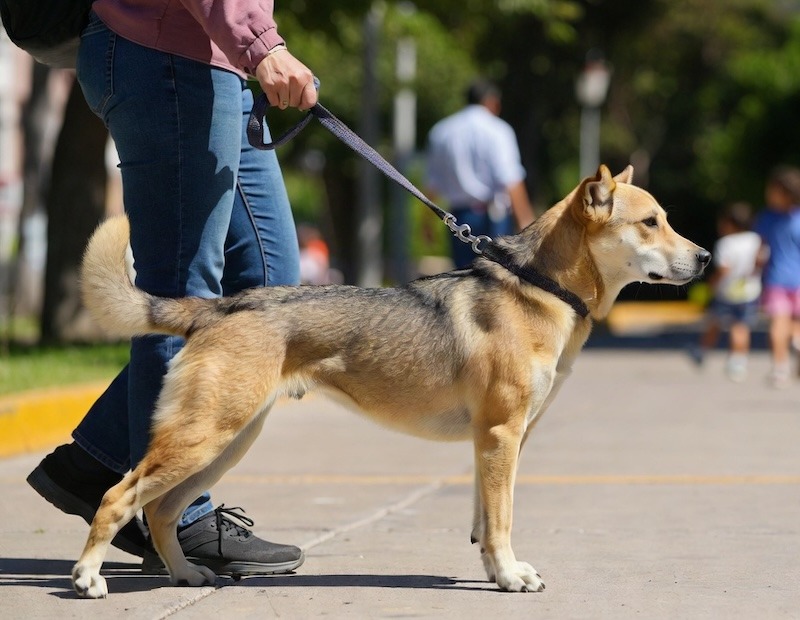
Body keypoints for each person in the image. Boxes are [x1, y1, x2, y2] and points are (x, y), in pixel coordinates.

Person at [26, 0, 317, 576]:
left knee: (269, 291)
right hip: (167, 55)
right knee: (183, 290)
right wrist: (262, 43)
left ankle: (95, 463)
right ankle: (177, 516)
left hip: (215, 61)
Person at [425, 78, 535, 268]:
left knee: (462, 277)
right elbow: (511, 179)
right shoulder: (498, 130)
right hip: (494, 216)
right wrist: (527, 224)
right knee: (497, 278)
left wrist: (426, 223)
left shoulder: (442, 131)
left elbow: (432, 183)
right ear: (492, 101)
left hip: (458, 217)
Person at [689, 202, 762, 381]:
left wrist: (711, 284)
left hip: (727, 291)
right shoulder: (755, 239)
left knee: (715, 321)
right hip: (749, 291)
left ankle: (702, 350)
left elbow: (724, 269)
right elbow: (760, 260)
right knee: (741, 326)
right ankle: (738, 361)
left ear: (729, 223)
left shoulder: (725, 243)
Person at [753, 165, 800, 388]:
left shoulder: (767, 218)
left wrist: (754, 270)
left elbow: (760, 251)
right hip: (797, 281)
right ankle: (797, 342)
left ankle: (780, 369)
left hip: (776, 280)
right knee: (795, 324)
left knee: (778, 324)